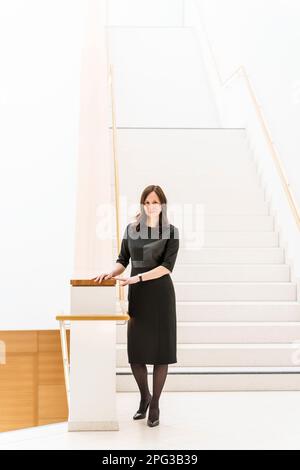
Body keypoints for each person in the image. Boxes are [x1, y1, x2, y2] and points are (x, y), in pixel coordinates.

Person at [92, 185, 179, 427]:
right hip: (138, 295)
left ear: (162, 204)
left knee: (161, 355)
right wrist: (110, 274)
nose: (151, 206)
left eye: (155, 202)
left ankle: (155, 405)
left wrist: (137, 277)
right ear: (142, 204)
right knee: (136, 355)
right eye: (147, 202)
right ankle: (144, 397)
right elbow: (123, 260)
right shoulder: (132, 230)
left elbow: (166, 267)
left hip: (160, 295)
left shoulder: (171, 232)